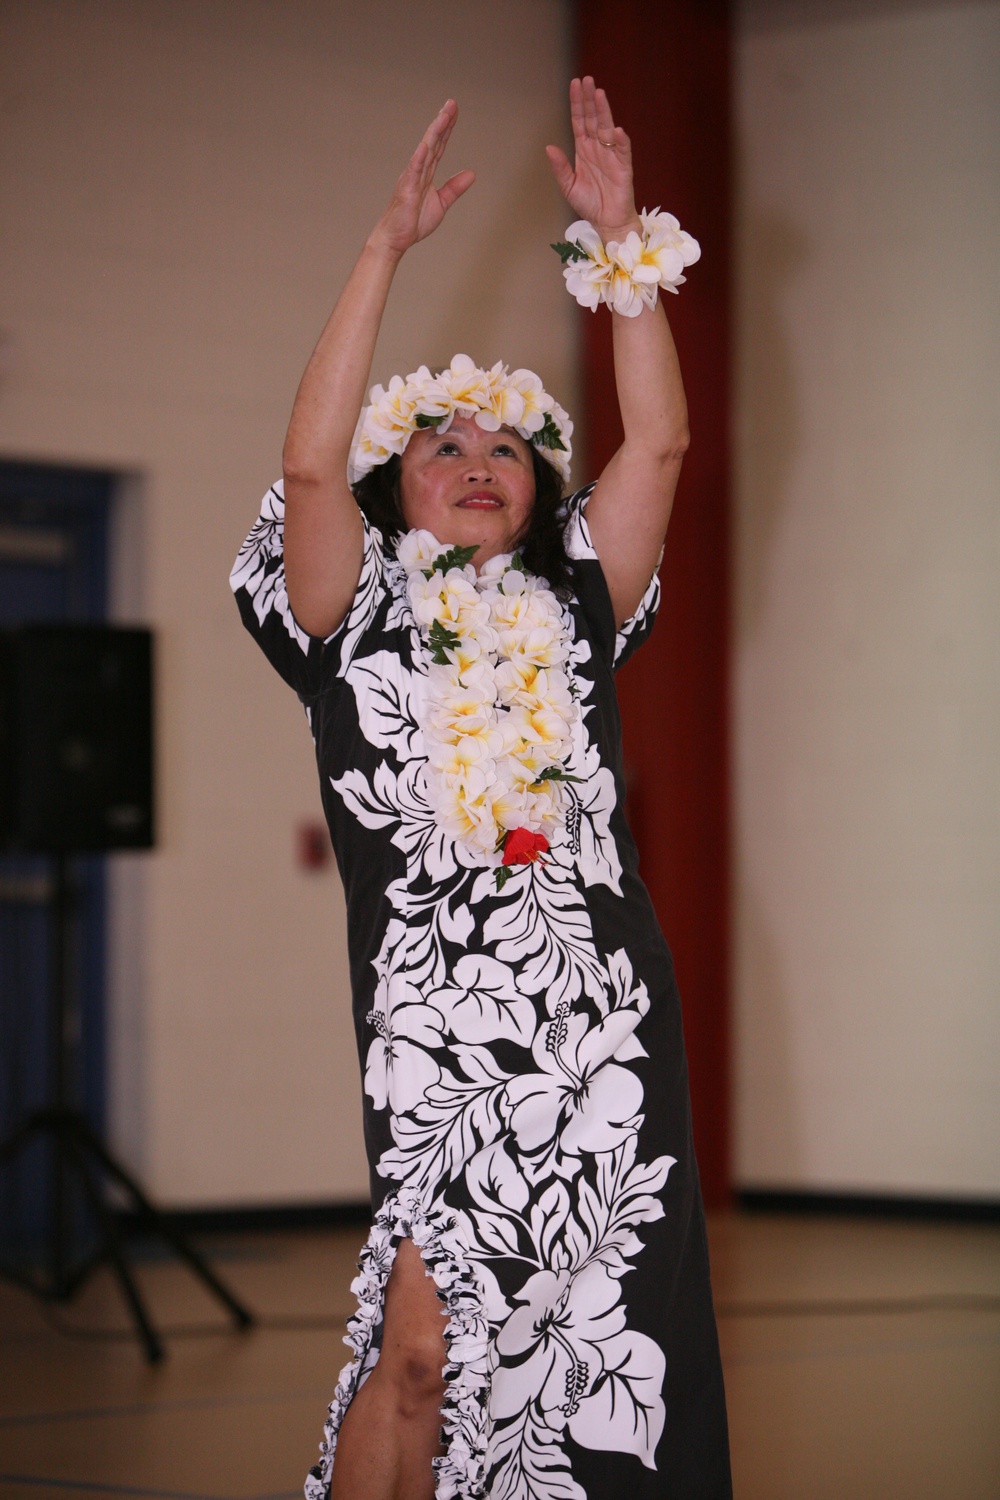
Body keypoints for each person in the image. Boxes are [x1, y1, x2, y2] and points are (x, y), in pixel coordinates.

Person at [232, 77, 731, 1500]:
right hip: (442, 1039)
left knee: (599, 1342)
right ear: (403, 490)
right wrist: (384, 250)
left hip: (603, 1032)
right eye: (440, 442)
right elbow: (306, 462)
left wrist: (623, 246)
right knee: (419, 1354)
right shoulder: (354, 611)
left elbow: (667, 445)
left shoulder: (577, 601)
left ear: (536, 492)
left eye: (504, 443)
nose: (473, 458)